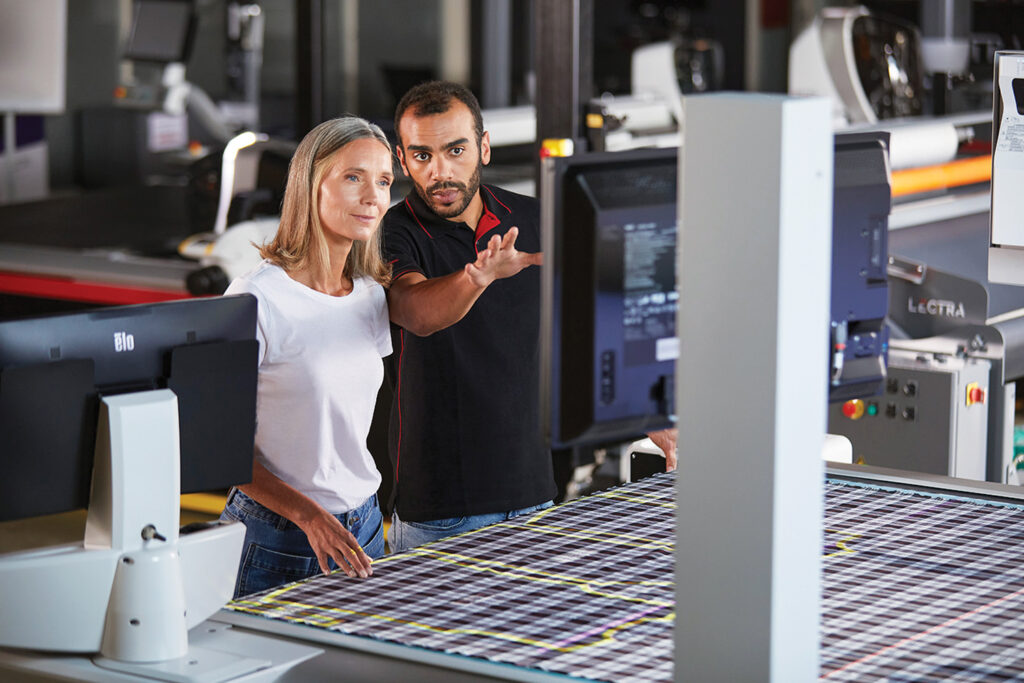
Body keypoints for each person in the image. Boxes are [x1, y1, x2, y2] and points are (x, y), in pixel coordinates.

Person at [382, 81, 676, 553]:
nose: (440, 171)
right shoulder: (393, 233)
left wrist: (644, 409)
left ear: (484, 147)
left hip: (536, 496)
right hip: (440, 512)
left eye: (456, 150)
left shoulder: (534, 219)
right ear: (402, 160)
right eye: (422, 156)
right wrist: (477, 277)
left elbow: (582, 327)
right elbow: (415, 311)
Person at [220, 116, 394, 597]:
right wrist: (308, 515)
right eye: (353, 177)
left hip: (364, 528)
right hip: (276, 533)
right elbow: (216, 448)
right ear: (310, 184)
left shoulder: (369, 295)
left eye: (383, 181)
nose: (373, 196)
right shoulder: (257, 298)